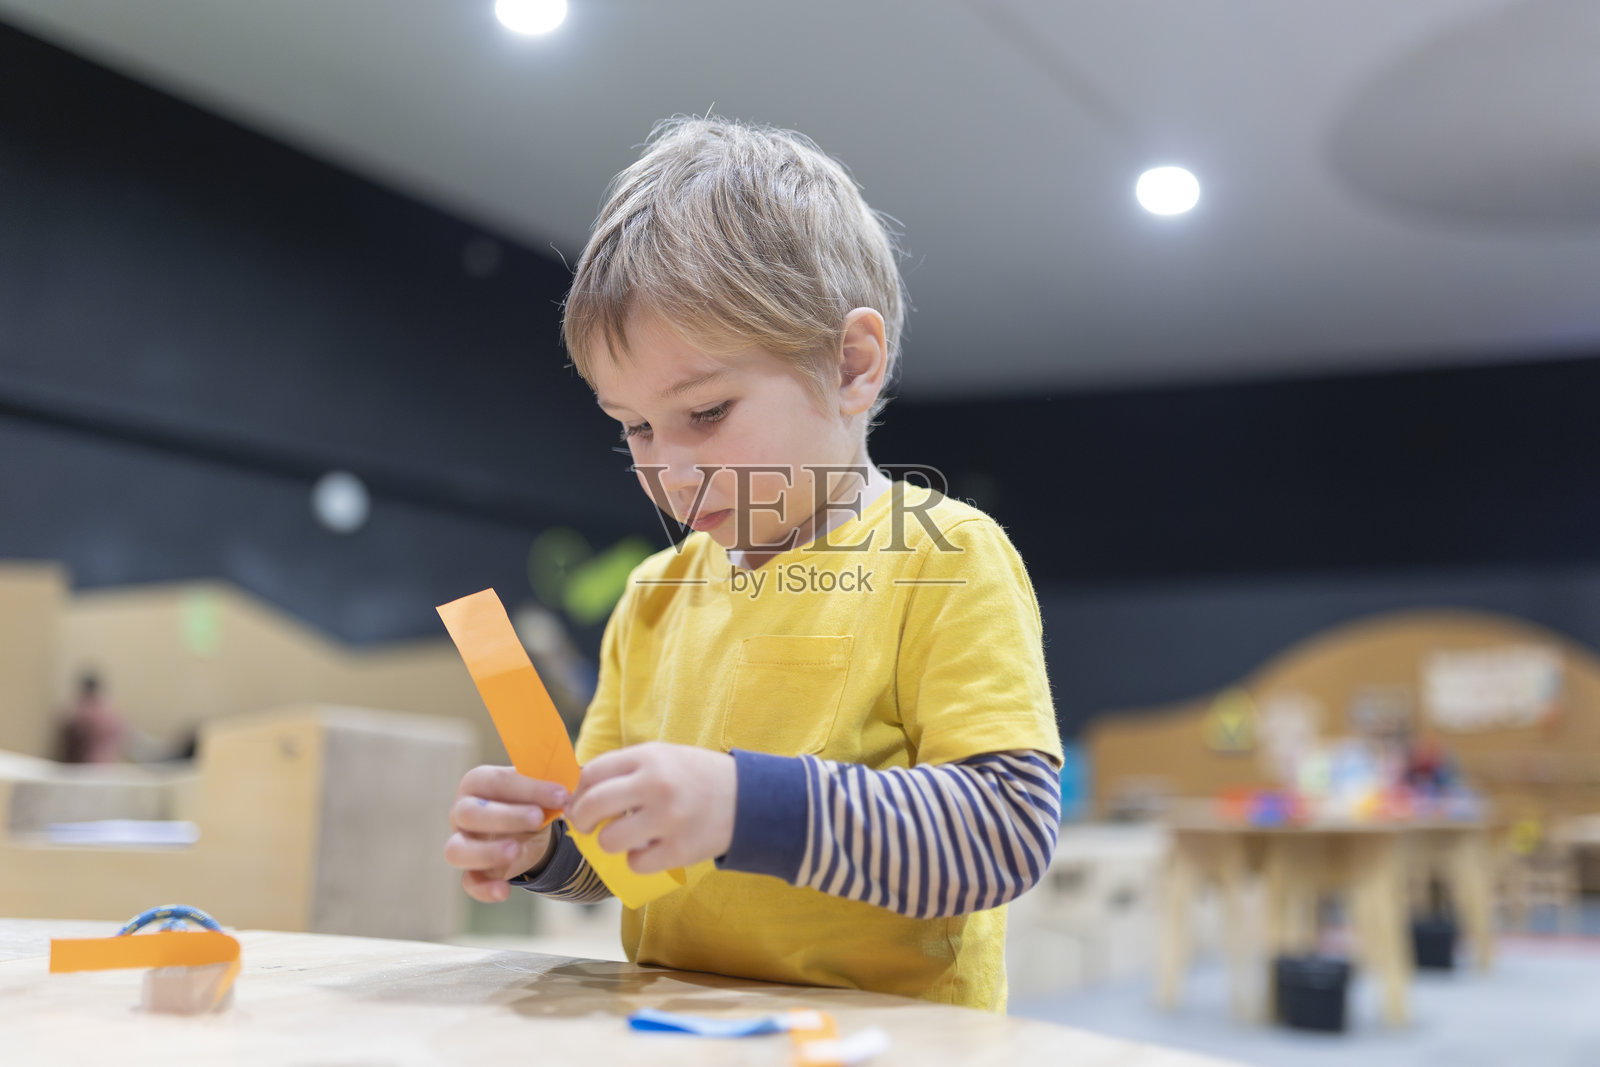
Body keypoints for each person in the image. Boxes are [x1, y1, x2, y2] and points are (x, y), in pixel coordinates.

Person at [443, 117, 1062, 1011]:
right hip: (674, 1031)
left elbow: (1005, 833)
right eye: (636, 426)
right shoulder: (652, 599)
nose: (668, 468)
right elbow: (625, 862)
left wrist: (743, 803)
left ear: (851, 365)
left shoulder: (944, 557)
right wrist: (546, 847)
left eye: (706, 412)